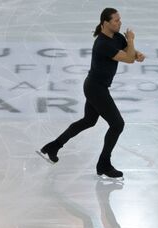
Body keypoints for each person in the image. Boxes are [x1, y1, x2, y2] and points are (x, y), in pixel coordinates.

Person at [38, 8, 146, 179]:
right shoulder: (103, 44)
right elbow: (128, 59)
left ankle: (53, 146)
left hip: (96, 86)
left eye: (120, 20)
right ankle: (104, 164)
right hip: (95, 88)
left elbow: (130, 53)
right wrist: (132, 41)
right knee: (117, 124)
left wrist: (137, 53)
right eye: (116, 20)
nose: (120, 23)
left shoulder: (117, 37)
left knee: (88, 121)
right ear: (105, 23)